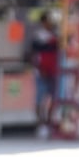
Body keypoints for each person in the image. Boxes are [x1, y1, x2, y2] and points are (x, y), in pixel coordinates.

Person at [32, 10, 59, 139]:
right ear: (43, 22)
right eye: (48, 21)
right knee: (40, 100)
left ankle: (48, 124)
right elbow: (33, 55)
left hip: (54, 71)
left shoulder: (55, 35)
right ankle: (40, 125)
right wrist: (39, 68)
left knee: (52, 99)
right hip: (41, 72)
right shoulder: (38, 36)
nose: (50, 23)